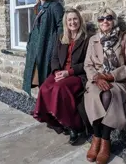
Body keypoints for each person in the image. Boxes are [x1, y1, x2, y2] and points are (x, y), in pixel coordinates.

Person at [83, 7, 126, 164]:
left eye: (108, 18)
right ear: (98, 23)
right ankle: (97, 137)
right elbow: (88, 65)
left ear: (113, 21)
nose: (105, 21)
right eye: (101, 19)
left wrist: (111, 76)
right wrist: (96, 77)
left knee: (109, 94)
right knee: (94, 94)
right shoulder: (93, 40)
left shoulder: (124, 38)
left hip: (118, 81)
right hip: (96, 80)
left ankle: (105, 140)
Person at [32, 7, 89, 145]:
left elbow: (88, 63)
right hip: (61, 72)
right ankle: (55, 120)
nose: (72, 22)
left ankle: (73, 126)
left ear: (80, 20)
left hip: (77, 75)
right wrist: (57, 71)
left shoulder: (87, 38)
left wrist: (68, 72)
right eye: (69, 19)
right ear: (66, 22)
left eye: (75, 19)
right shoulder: (61, 37)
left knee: (59, 89)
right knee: (45, 87)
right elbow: (54, 58)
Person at [22, 0, 64, 95]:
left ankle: (47, 105)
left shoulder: (55, 6)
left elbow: (61, 26)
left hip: (47, 46)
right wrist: (30, 43)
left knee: (46, 75)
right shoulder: (37, 8)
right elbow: (34, 28)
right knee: (35, 75)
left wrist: (55, 45)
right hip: (35, 47)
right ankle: (41, 104)